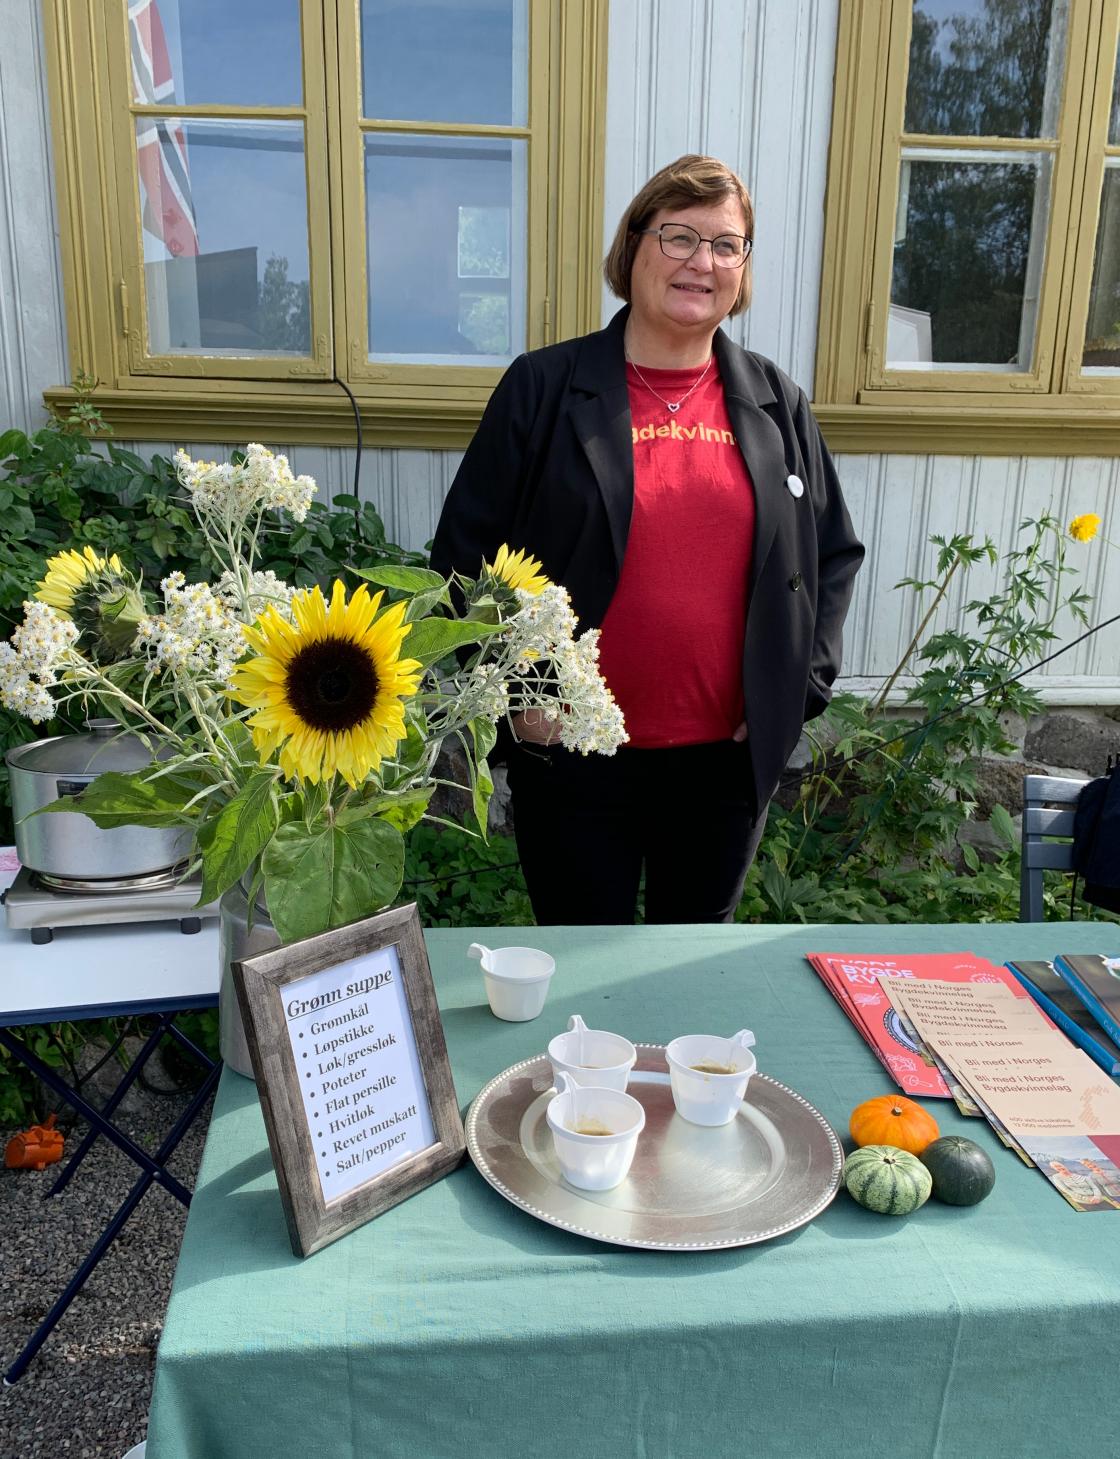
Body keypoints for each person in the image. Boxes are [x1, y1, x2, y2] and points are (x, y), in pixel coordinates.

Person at [430, 154, 864, 925]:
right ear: (633, 249)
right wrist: (518, 696)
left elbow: (831, 556)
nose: (703, 262)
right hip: (572, 757)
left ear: (743, 268)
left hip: (722, 768)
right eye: (679, 237)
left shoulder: (775, 403)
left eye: (727, 244)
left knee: (688, 980)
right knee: (584, 979)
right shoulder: (545, 388)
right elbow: (463, 560)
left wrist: (792, 694)